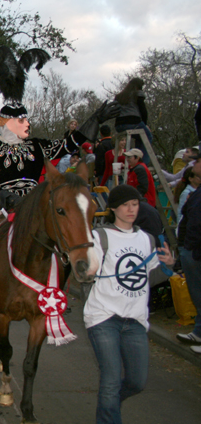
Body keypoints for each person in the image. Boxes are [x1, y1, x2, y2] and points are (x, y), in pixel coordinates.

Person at [0, 45, 119, 309]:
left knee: (62, 232)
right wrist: (2, 196)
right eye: (20, 121)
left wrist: (96, 118)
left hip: (36, 201)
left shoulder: (36, 146)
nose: (26, 125)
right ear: (4, 124)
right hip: (1, 203)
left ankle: (58, 291)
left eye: (25, 120)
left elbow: (68, 144)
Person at [84, 185, 175, 424]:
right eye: (125, 205)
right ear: (113, 208)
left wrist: (168, 266)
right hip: (103, 317)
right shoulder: (99, 236)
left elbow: (148, 278)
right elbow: (85, 274)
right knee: (111, 380)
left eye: (135, 204)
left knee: (137, 381)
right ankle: (109, 410)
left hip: (135, 320)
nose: (131, 209)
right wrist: (85, 270)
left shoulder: (147, 239)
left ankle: (109, 403)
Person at [175, 159, 201, 351]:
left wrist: (190, 247)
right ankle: (199, 332)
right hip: (190, 250)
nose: (195, 163)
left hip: (194, 251)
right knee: (197, 294)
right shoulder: (195, 193)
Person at [114, 78, 154, 164]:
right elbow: (143, 110)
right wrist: (145, 124)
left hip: (119, 125)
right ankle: (143, 163)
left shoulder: (119, 96)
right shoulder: (137, 94)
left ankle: (136, 157)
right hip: (132, 122)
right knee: (148, 136)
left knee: (139, 138)